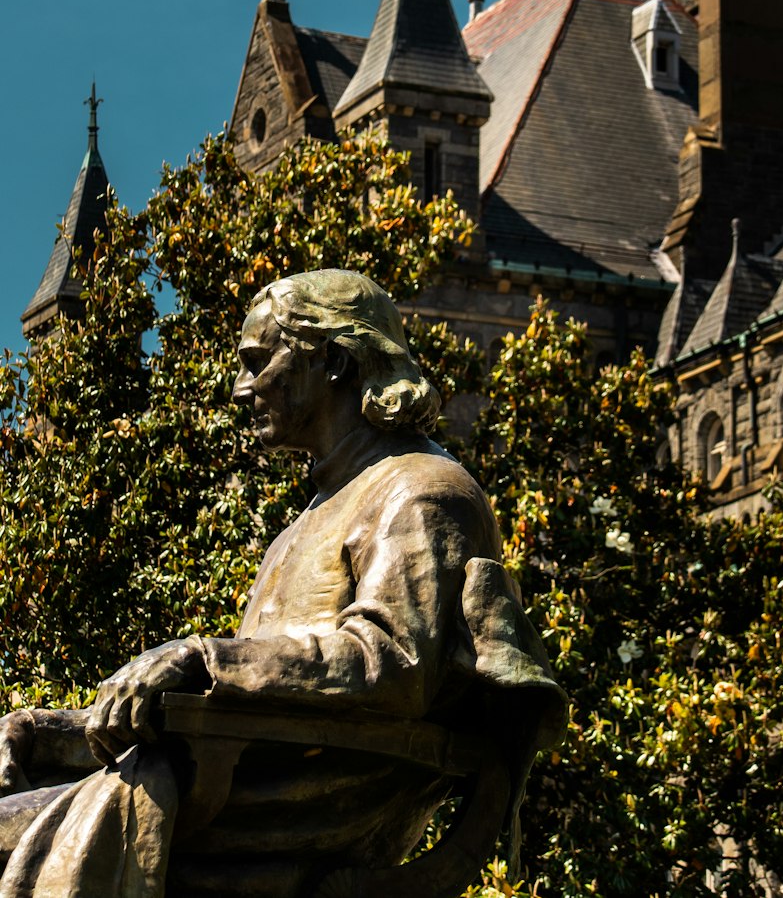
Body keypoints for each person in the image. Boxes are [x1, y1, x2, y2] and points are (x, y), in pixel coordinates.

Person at [0, 270, 565, 898]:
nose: (241, 389)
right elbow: (222, 704)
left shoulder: (421, 489)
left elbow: (391, 662)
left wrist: (198, 656)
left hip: (304, 807)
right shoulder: (315, 515)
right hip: (237, 780)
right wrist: (49, 732)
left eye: (257, 362)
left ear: (332, 360)